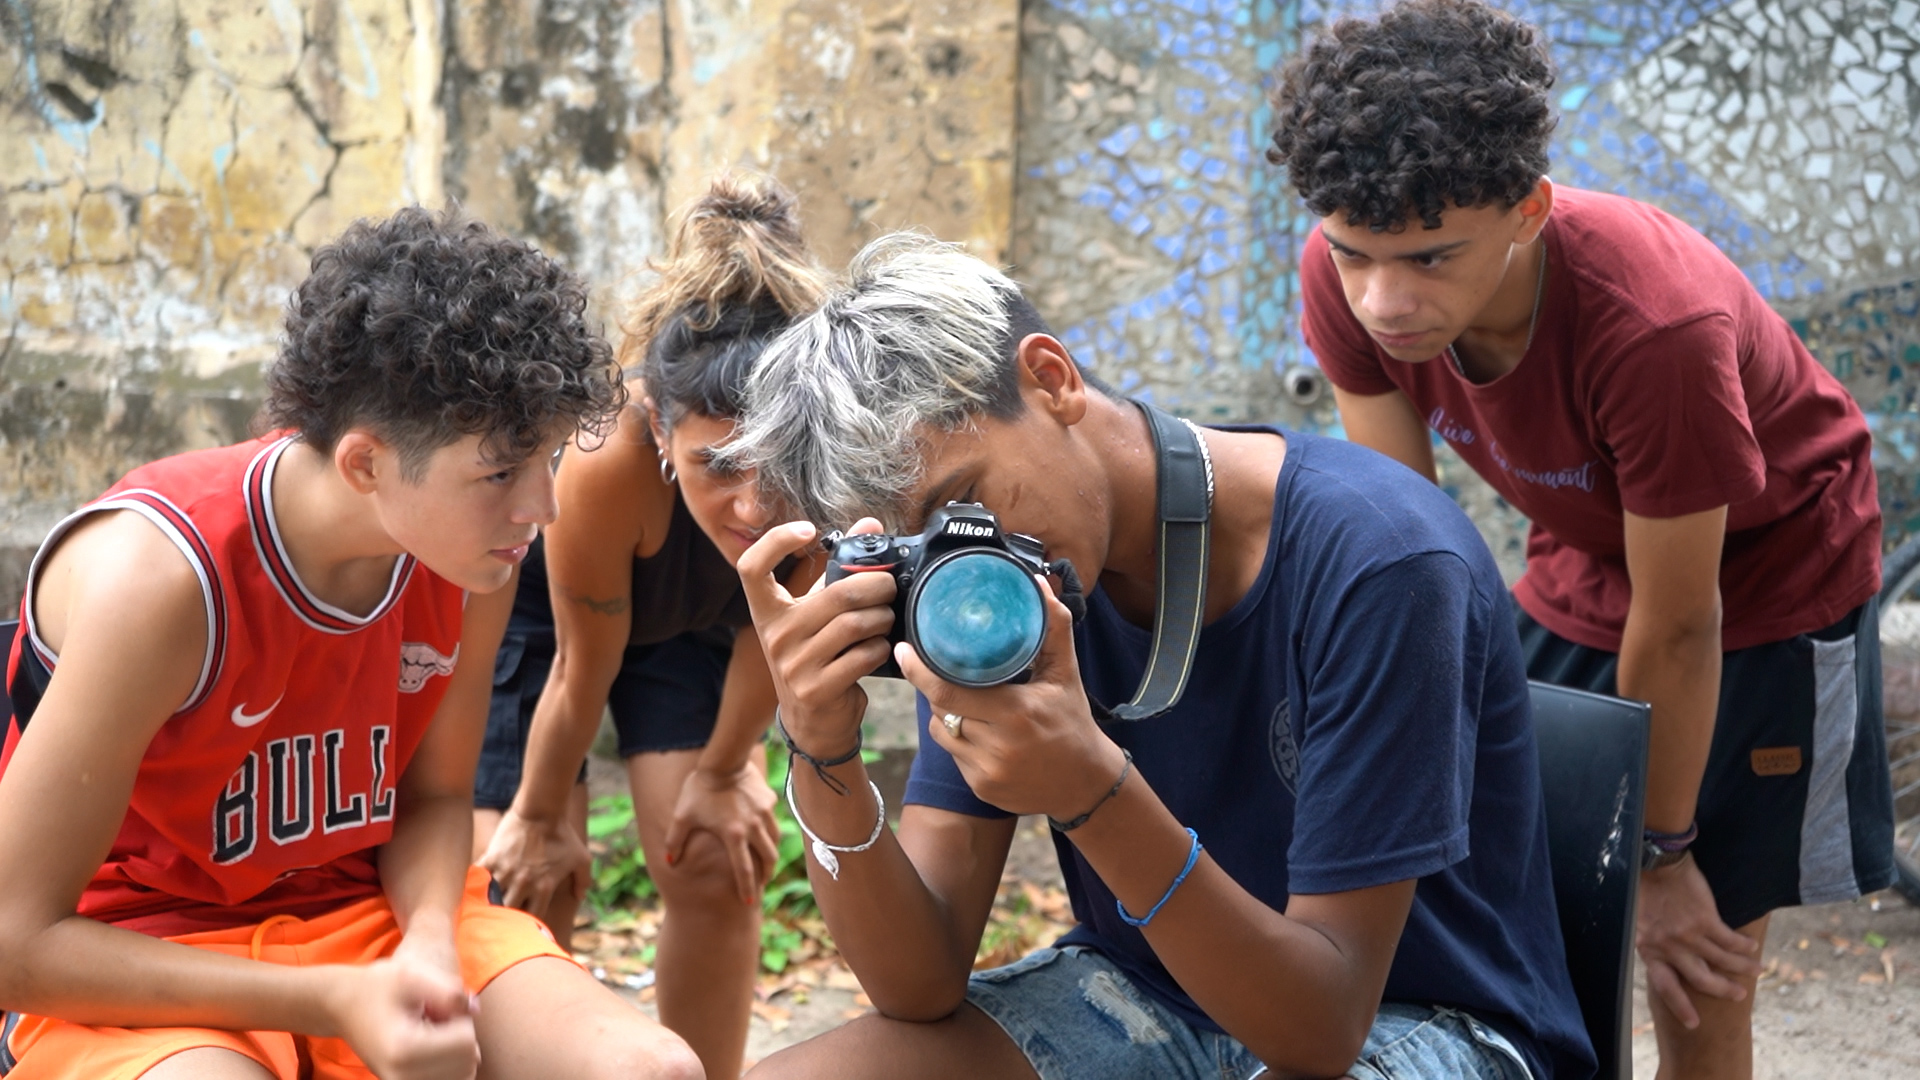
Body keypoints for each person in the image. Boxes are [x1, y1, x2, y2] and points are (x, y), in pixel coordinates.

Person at [719, 233, 1595, 1080]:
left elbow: (1323, 1032)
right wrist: (820, 749)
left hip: (1423, 1018)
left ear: (1051, 380)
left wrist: (1091, 793)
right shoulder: (973, 582)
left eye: (965, 499)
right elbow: (920, 981)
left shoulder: (1380, 559)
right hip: (1154, 993)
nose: (963, 560)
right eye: (923, 547)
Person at [1268, 2, 1893, 1077]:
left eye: (1430, 257)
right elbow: (1403, 537)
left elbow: (1684, 623)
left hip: (1768, 580)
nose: (1384, 300)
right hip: (1589, 558)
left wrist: (1661, 855)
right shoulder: (1343, 273)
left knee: (1695, 959)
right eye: (1355, 254)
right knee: (1522, 919)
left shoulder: (1656, 327)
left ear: (1528, 211)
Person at [0, 208, 701, 1080]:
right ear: (365, 464)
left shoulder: (468, 557)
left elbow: (436, 796)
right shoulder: (163, 579)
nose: (542, 510)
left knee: (650, 1069)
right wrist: (331, 999)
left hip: (369, 919)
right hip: (146, 952)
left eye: (547, 462)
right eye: (500, 472)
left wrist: (431, 945)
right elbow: (16, 940)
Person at [474, 173, 827, 1080]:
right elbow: (580, 668)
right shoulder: (606, 460)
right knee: (525, 889)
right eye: (717, 464)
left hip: (689, 622)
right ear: (661, 432)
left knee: (714, 856)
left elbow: (772, 637)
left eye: (773, 459)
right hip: (548, 626)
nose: (753, 503)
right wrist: (541, 815)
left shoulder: (828, 448)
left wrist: (725, 771)